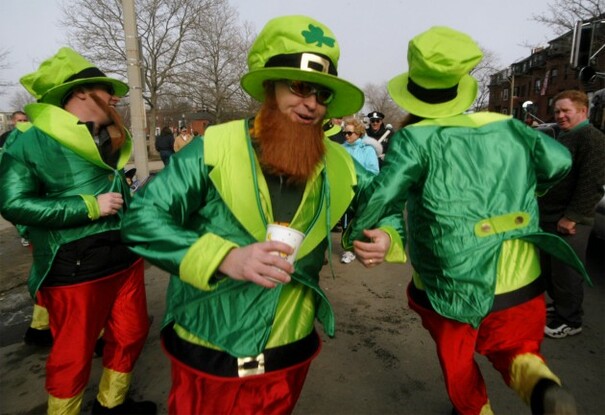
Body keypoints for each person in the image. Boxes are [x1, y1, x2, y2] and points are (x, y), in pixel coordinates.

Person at [121, 15, 405, 415]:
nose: (312, 104)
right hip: (210, 341)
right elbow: (141, 220)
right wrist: (223, 257)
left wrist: (388, 236)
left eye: (322, 94)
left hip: (290, 343)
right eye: (301, 87)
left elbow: (383, 206)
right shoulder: (212, 148)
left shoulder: (340, 163)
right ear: (270, 87)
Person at [344, 26, 590, 415]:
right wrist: (523, 189)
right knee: (516, 348)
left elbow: (383, 194)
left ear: (414, 88)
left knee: (457, 358)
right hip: (518, 271)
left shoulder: (416, 138)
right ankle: (539, 383)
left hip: (450, 278)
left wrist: (355, 235)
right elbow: (559, 162)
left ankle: (476, 409)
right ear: (461, 85)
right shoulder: (507, 126)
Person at [0, 47, 155, 415]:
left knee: (131, 334)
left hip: (124, 260)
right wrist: (89, 206)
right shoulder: (29, 139)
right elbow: (13, 203)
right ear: (81, 91)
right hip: (73, 267)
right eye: (105, 88)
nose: (114, 95)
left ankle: (111, 405)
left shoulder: (109, 136)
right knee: (74, 353)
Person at [539, 90, 605, 339]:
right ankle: (560, 308)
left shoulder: (591, 138)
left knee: (567, 272)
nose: (560, 116)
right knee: (552, 271)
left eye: (566, 111)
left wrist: (572, 217)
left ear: (583, 111)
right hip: (551, 216)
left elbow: (592, 184)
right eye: (557, 111)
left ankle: (570, 319)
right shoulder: (566, 136)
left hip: (570, 221)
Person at [340, 117, 380, 264]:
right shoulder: (341, 149)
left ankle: (364, 248)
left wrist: (358, 175)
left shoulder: (367, 149)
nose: (346, 136)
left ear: (358, 133)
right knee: (347, 221)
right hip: (347, 192)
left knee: (361, 222)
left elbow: (373, 171)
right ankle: (348, 250)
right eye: (345, 132)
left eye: (350, 133)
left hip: (362, 192)